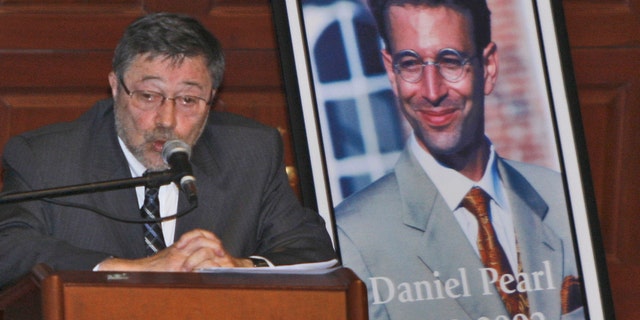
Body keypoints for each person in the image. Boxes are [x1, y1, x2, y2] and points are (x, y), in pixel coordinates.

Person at [0, 12, 336, 288]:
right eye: (149, 96)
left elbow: (312, 247)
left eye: (189, 100)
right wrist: (129, 269)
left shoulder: (251, 151)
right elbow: (9, 247)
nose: (167, 120)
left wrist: (238, 266)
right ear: (116, 87)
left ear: (212, 99)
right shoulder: (45, 157)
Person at [335, 0, 584, 319]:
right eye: (410, 64)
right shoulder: (352, 239)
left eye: (450, 61)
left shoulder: (567, 200)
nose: (432, 91)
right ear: (391, 72)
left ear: (488, 67)